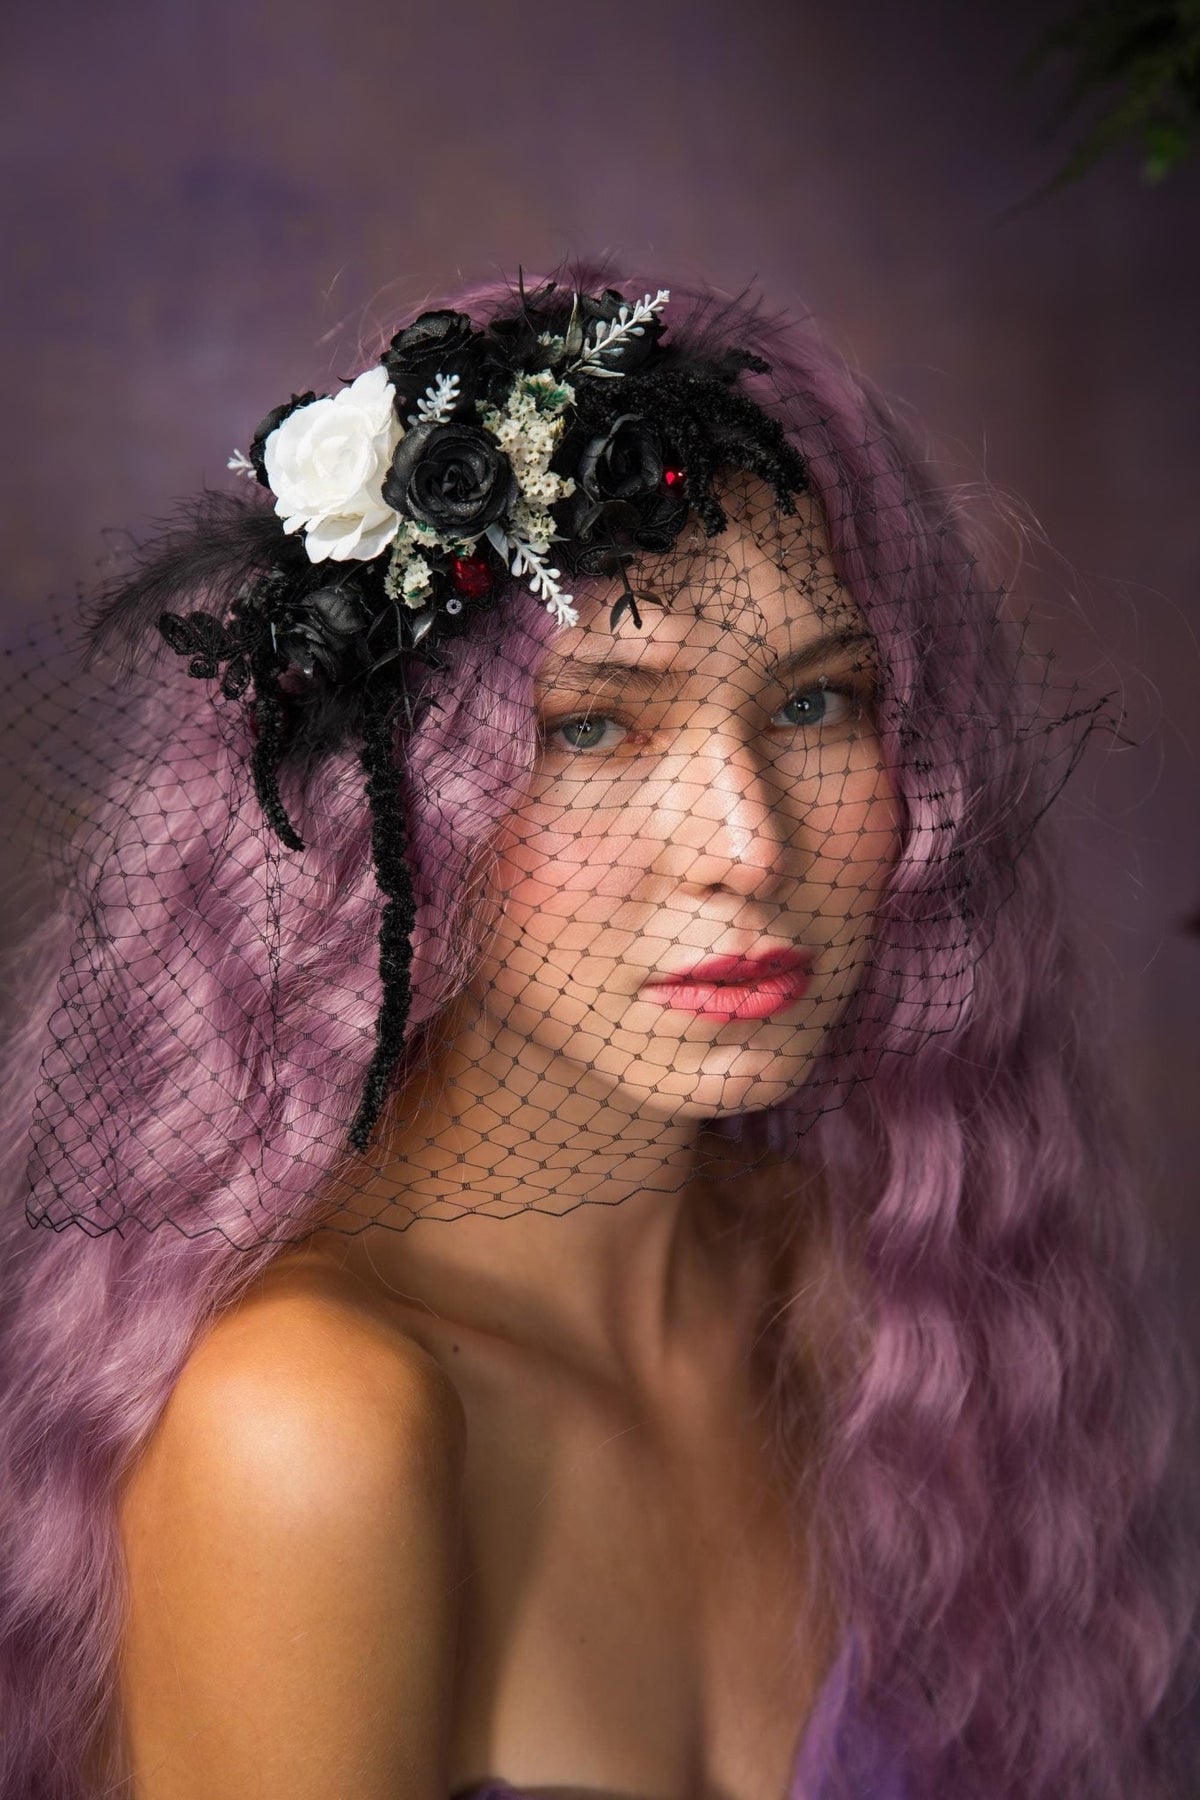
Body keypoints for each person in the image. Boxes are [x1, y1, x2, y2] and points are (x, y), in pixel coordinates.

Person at [0, 263, 1194, 1800]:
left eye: (816, 706)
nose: (747, 845)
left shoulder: (878, 1309)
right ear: (393, 805)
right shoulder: (310, 1430)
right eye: (595, 728)